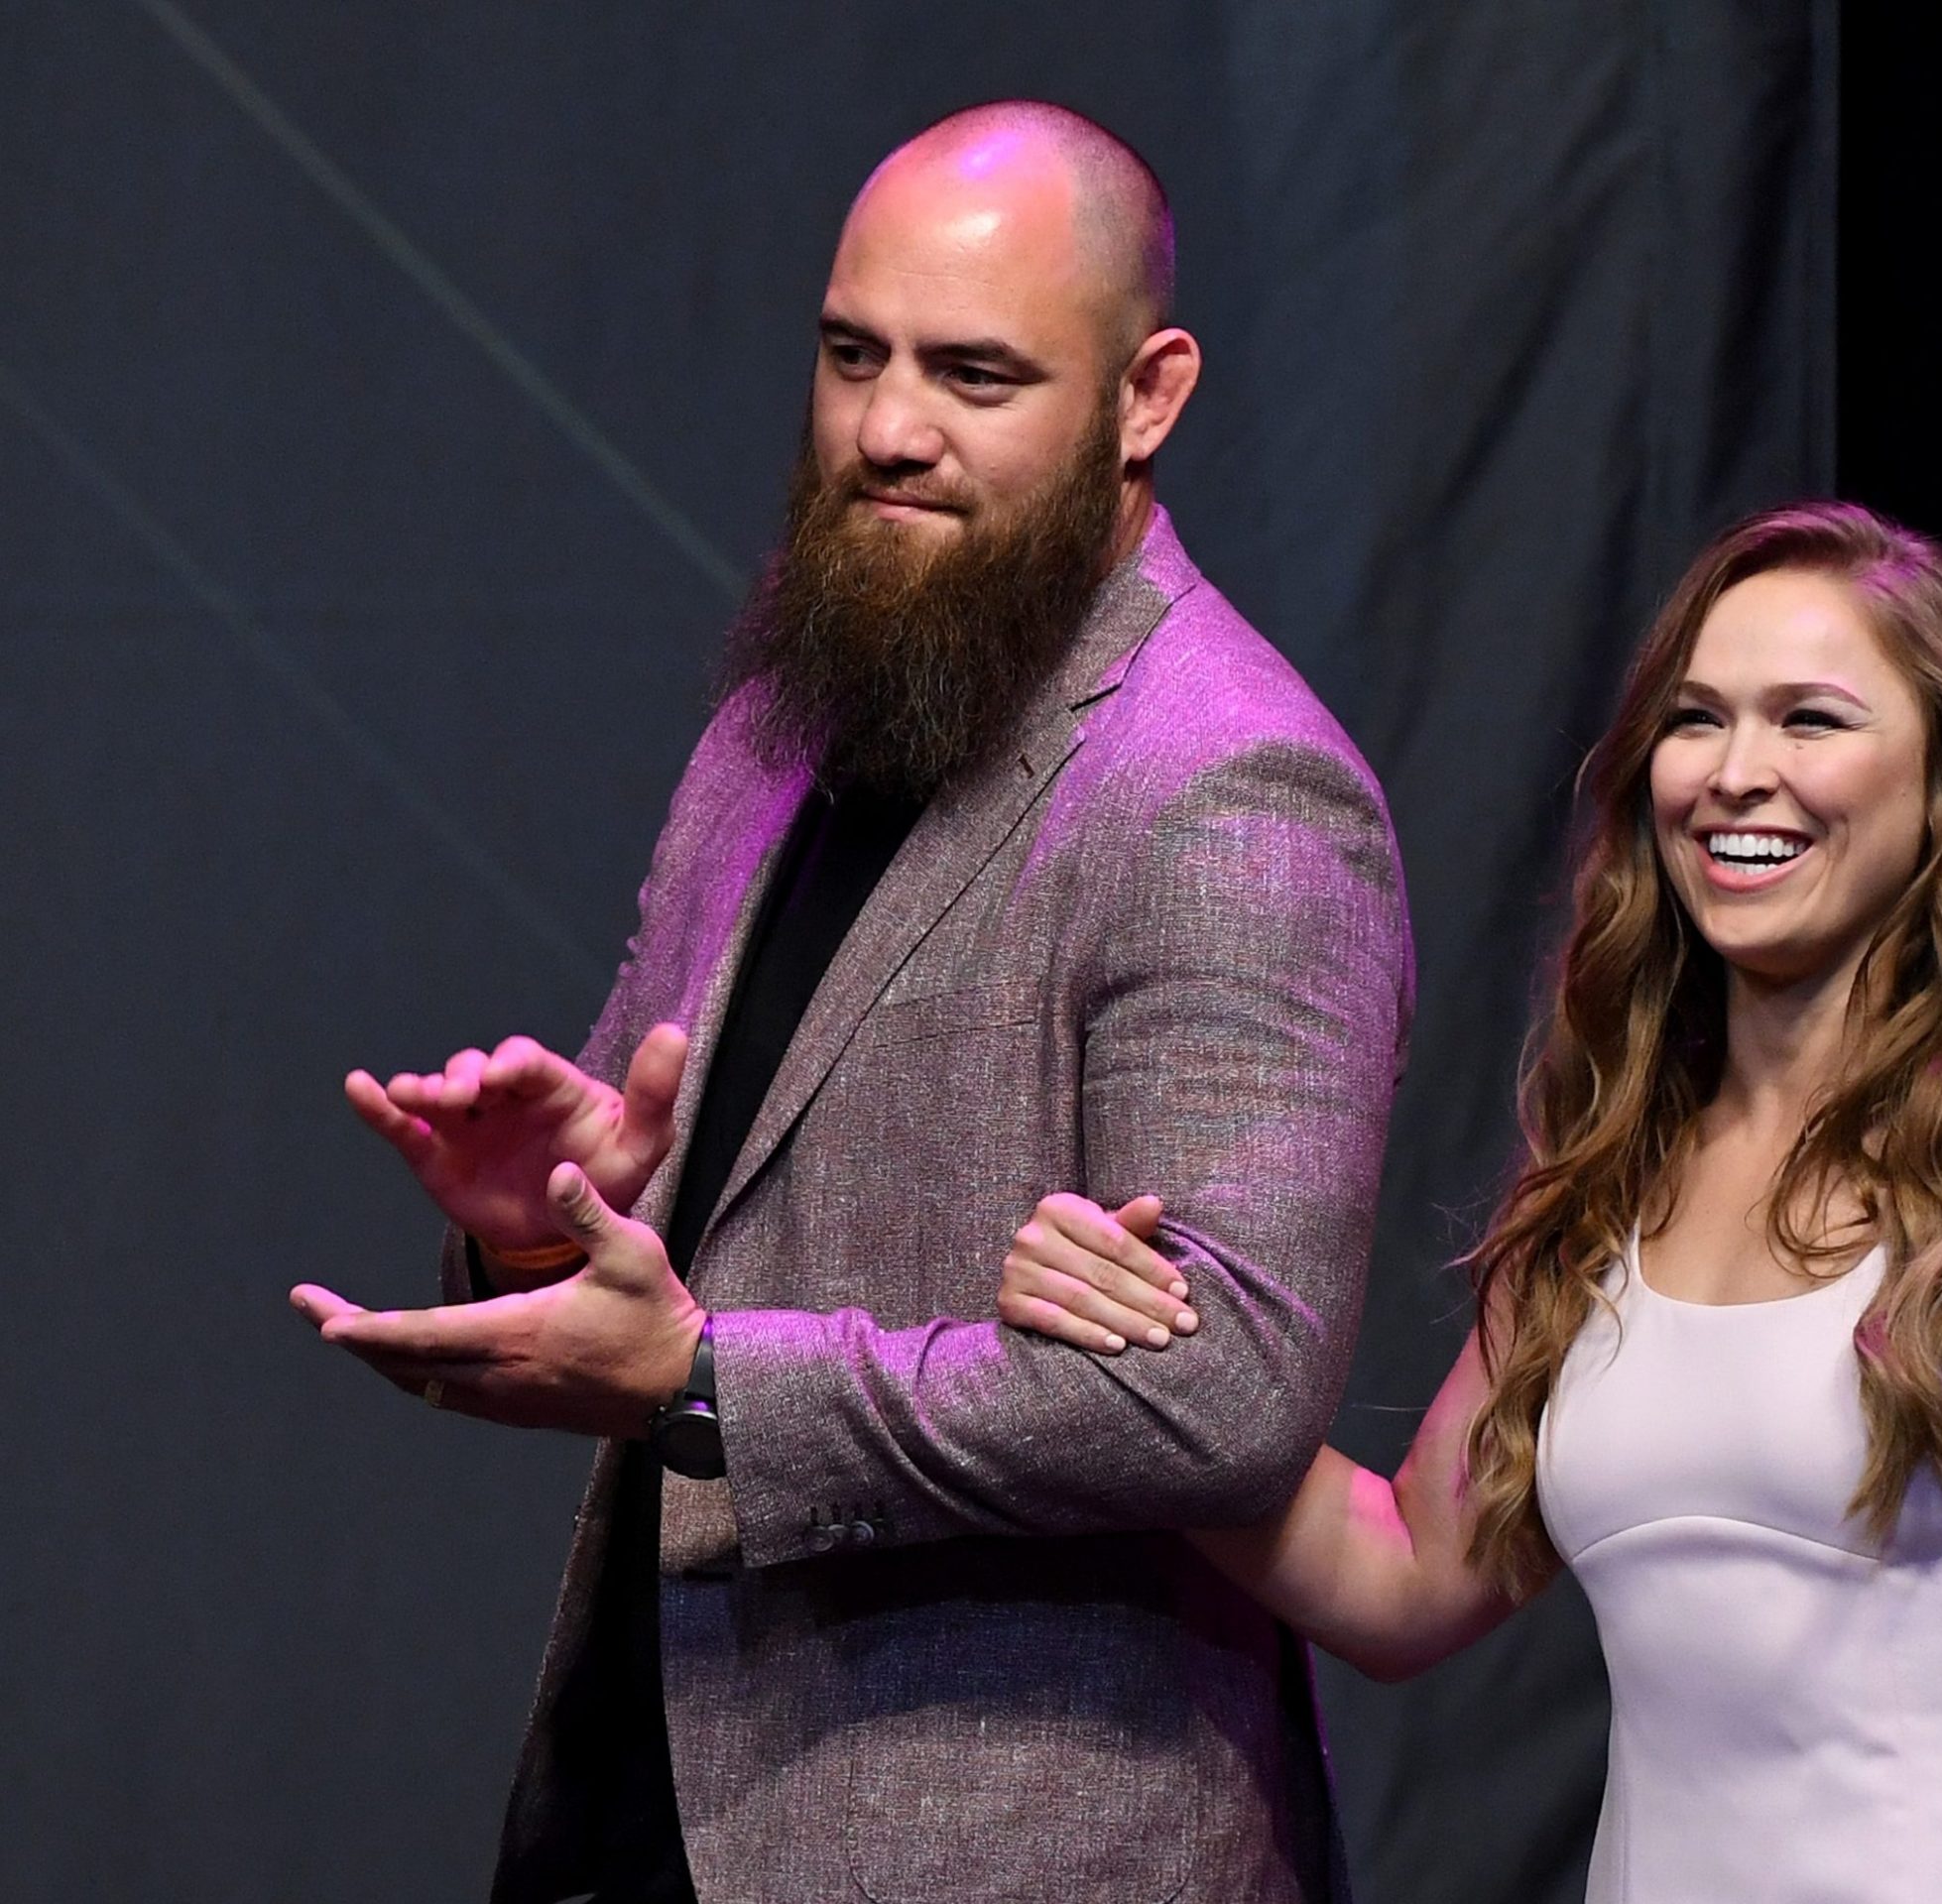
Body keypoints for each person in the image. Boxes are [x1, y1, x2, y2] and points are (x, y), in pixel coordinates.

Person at [292, 101, 1412, 1904]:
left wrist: (710, 1384)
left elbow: (1229, 1395)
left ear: (1148, 398)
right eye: (851, 355)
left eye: (975, 374)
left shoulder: (1231, 784)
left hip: (1020, 1847)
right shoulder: (791, 709)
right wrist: (547, 1223)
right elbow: (691, 1225)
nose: (888, 428)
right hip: (658, 1797)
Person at [997, 503, 1942, 1902]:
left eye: (1811, 720)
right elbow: (1405, 1576)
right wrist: (1134, 1361)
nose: (1736, 773)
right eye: (1696, 719)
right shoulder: (1612, 1182)